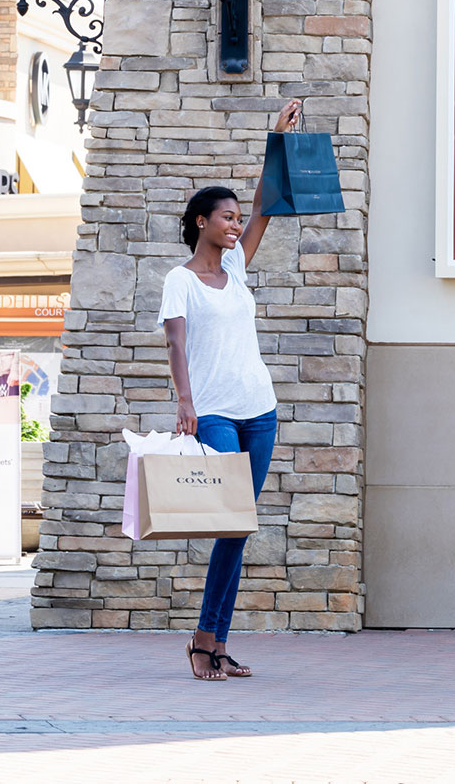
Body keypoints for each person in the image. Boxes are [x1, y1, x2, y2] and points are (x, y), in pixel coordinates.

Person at [163, 97, 302, 682]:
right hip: (215, 412)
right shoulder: (181, 279)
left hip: (259, 409)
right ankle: (203, 641)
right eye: (226, 216)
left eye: (237, 216)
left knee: (239, 527)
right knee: (231, 523)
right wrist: (186, 405)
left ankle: (216, 642)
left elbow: (268, 205)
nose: (237, 222)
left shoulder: (237, 269)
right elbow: (175, 343)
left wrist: (277, 138)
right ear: (202, 222)